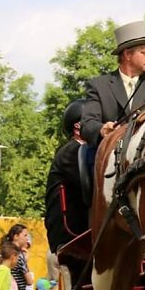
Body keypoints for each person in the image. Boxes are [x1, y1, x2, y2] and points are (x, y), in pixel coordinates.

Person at [80, 20, 145, 146]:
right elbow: (87, 124)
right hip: (109, 156)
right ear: (127, 54)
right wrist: (102, 129)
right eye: (144, 52)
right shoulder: (99, 86)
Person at [45, 99, 90, 258]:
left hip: (84, 226)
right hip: (72, 231)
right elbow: (94, 186)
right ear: (78, 127)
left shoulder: (83, 151)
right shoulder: (71, 152)